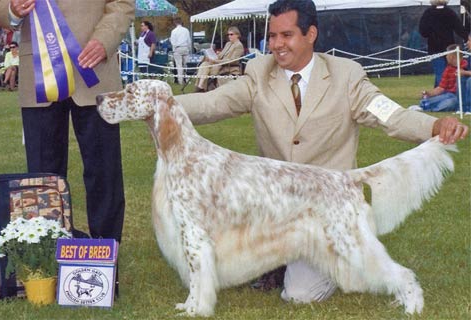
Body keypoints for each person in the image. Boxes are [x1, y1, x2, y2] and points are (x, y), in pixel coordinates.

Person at [174, 0, 469, 304]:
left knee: (301, 295)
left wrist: (433, 126)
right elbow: (213, 103)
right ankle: (275, 256)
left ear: (311, 33)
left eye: (286, 35)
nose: (276, 45)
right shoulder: (259, 72)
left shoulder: (346, 76)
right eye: (272, 36)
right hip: (272, 202)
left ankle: (319, 258)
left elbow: (390, 116)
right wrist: (161, 103)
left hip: (325, 209)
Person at [0, 0, 134, 245]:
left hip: (95, 68)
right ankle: (46, 252)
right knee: (41, 176)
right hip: (38, 75)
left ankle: (107, 251)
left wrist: (105, 39)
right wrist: (12, 10)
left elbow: (122, 3)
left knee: (104, 171)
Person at [419, 0, 471, 87]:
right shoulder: (449, 12)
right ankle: (439, 95)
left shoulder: (427, 13)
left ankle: (438, 94)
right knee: (445, 73)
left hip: (434, 48)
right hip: (449, 49)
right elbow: (459, 29)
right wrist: (467, 39)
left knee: (440, 73)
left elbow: (423, 32)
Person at [412, 44, 471, 113]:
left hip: (459, 97)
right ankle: (423, 105)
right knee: (430, 100)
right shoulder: (448, 69)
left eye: (447, 55)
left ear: (452, 56)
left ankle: (431, 109)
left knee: (450, 102)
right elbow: (441, 88)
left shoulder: (466, 66)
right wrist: (428, 93)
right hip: (448, 94)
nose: (446, 57)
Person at [195, 26, 244, 92]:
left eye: (231, 34)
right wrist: (214, 56)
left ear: (237, 35)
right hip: (219, 65)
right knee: (204, 63)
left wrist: (216, 61)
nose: (229, 36)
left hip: (227, 67)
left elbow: (232, 61)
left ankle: (200, 88)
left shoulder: (239, 46)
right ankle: (200, 86)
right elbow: (221, 55)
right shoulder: (228, 44)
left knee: (206, 67)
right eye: (228, 34)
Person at [170, 17, 191, 85]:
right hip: (185, 48)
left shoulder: (174, 31)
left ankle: (180, 80)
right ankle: (187, 79)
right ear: (181, 22)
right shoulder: (186, 30)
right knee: (185, 65)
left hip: (178, 48)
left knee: (179, 65)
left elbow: (173, 42)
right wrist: (189, 49)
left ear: (175, 23)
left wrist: (174, 50)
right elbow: (189, 40)